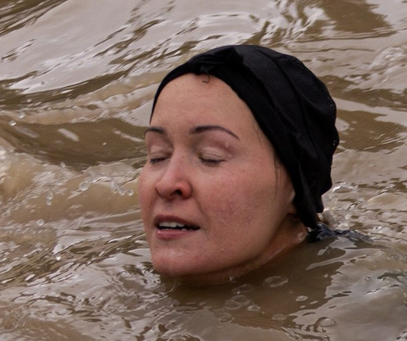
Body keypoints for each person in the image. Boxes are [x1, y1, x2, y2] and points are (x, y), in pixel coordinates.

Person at [138, 44, 339, 284]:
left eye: (210, 157)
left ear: (295, 188)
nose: (166, 183)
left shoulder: (370, 305)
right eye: (157, 156)